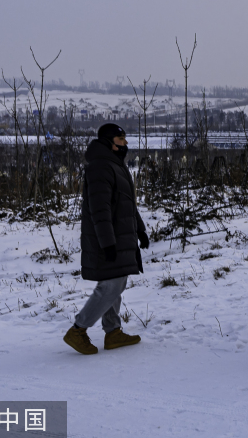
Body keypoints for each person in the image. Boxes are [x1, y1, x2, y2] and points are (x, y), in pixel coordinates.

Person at [63, 124, 149, 355]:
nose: (125, 143)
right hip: (108, 238)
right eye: (121, 138)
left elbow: (126, 204)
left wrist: (140, 230)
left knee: (116, 281)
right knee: (111, 284)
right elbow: (99, 210)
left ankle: (113, 332)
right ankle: (78, 330)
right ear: (109, 141)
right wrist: (107, 243)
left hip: (119, 235)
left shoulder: (115, 165)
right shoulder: (101, 167)